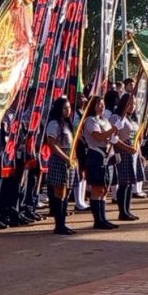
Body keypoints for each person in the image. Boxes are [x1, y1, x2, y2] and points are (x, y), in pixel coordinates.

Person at [80, 96, 119, 231]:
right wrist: (114, 129)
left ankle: (103, 218)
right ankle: (98, 220)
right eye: (99, 105)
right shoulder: (90, 120)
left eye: (103, 104)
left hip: (107, 154)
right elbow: (99, 136)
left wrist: (114, 137)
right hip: (96, 154)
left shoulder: (105, 120)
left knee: (105, 189)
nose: (102, 107)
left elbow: (108, 136)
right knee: (98, 188)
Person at [44, 98, 76, 236]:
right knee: (59, 192)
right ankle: (59, 225)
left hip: (69, 158)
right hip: (59, 158)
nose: (67, 111)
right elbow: (52, 144)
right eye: (64, 108)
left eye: (69, 108)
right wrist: (65, 158)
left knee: (67, 192)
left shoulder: (67, 124)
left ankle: (63, 222)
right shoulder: (54, 124)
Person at [112, 94, 143, 222]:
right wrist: (126, 148)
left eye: (134, 104)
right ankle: (122, 211)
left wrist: (139, 153)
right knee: (124, 183)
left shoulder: (131, 118)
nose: (132, 106)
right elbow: (113, 138)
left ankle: (127, 210)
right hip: (123, 151)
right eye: (130, 104)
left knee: (130, 183)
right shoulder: (116, 117)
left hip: (133, 152)